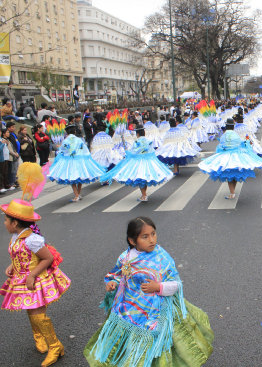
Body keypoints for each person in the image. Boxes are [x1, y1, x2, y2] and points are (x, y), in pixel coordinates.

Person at [84, 216, 214, 367]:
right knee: (129, 346)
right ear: (132, 241)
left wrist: (158, 287)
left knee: (160, 344)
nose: (152, 240)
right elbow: (116, 275)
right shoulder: (125, 258)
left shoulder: (161, 257)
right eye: (145, 237)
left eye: (153, 234)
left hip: (158, 310)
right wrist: (112, 283)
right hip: (129, 309)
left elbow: (175, 284)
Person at [1, 195, 71, 367]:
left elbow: (46, 258)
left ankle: (55, 346)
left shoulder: (32, 239)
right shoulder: (17, 236)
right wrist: (12, 265)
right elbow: (21, 255)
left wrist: (32, 275)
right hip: (22, 279)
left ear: (15, 223)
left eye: (6, 220)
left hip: (36, 279)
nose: (4, 223)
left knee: (37, 313)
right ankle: (39, 336)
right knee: (30, 309)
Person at [199, 118, 262, 199]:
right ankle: (232, 192)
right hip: (236, 156)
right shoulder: (236, 135)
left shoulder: (223, 136)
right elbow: (241, 144)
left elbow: (221, 147)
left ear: (226, 127)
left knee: (229, 175)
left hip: (226, 157)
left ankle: (232, 193)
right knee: (234, 174)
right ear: (233, 127)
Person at [99, 126, 173, 202]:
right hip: (149, 162)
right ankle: (144, 195)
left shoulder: (137, 142)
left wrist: (127, 152)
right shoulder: (149, 141)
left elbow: (133, 153)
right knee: (144, 178)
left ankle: (144, 195)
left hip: (139, 162)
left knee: (140, 178)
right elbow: (152, 151)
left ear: (137, 134)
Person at [47, 123, 105, 202]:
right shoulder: (78, 139)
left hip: (69, 161)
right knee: (80, 177)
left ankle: (76, 195)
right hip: (80, 160)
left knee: (72, 178)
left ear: (67, 132)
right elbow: (83, 149)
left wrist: (59, 149)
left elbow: (62, 151)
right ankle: (78, 194)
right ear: (74, 131)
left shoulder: (66, 140)